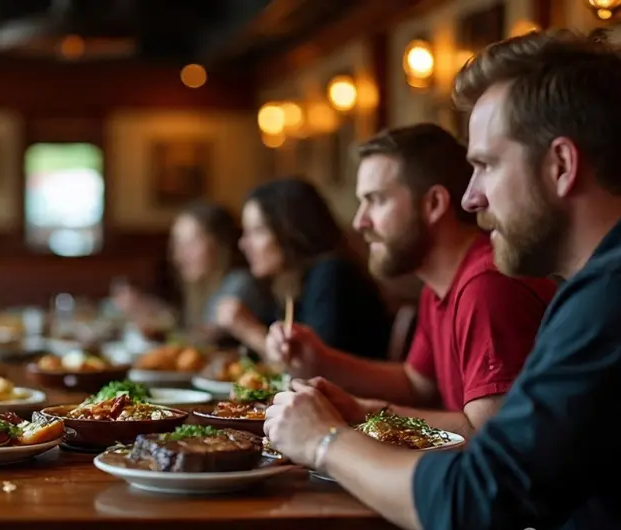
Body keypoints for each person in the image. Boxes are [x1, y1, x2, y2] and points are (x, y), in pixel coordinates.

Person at [264, 29, 621, 530]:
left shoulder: (603, 298)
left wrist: (326, 441)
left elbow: (477, 497)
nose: (470, 198)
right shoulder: (588, 290)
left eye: (486, 165)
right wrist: (365, 414)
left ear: (561, 165)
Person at [264, 124, 557, 437]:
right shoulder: (440, 282)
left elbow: (488, 432)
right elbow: (416, 382)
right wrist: (323, 360)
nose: (359, 221)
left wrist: (364, 413)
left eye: (375, 200)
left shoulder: (486, 286)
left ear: (433, 204)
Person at [233, 178, 391, 359]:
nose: (243, 244)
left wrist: (246, 328)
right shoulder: (288, 282)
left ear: (290, 232)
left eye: (257, 231)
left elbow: (311, 364)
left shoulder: (332, 274)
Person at [112, 200, 276, 347]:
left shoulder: (239, 283)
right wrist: (149, 309)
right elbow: (191, 329)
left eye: (191, 243)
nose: (179, 255)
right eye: (177, 244)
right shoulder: (202, 287)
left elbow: (204, 340)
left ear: (219, 245)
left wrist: (156, 323)